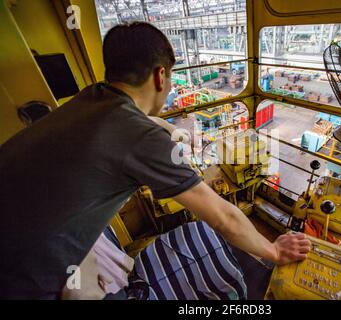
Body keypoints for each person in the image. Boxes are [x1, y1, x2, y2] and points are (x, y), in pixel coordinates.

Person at [0, 22, 311, 300]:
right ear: (161, 75)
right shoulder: (139, 135)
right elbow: (223, 217)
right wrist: (273, 250)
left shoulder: (89, 98)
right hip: (25, 281)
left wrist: (165, 127)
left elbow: (126, 129)